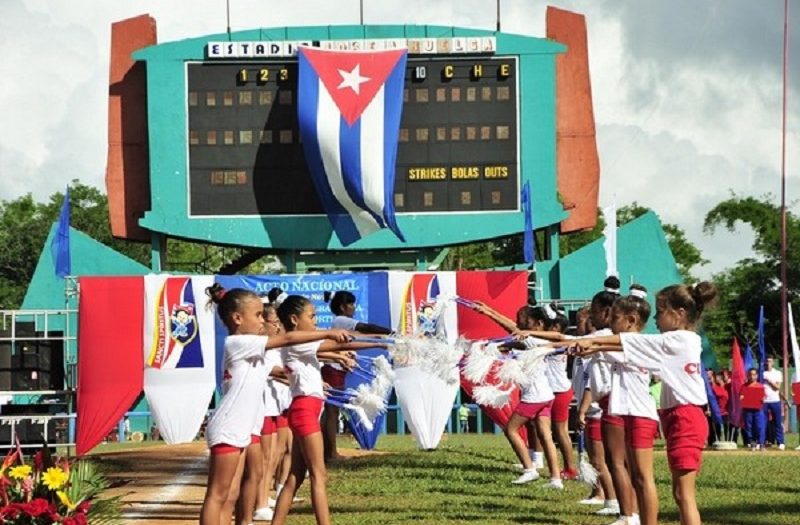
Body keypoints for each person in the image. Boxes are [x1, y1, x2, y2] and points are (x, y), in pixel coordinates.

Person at [199, 285, 351, 525]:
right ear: (237, 319)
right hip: (228, 427)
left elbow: (281, 369)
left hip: (241, 429)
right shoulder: (237, 343)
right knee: (218, 495)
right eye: (258, 315)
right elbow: (289, 338)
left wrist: (316, 374)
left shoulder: (252, 351)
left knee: (231, 495)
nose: (263, 321)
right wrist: (328, 333)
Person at [572, 281, 718, 525]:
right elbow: (629, 346)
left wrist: (594, 343)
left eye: (661, 312)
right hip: (676, 416)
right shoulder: (677, 341)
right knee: (680, 494)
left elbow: (634, 343)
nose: (657, 319)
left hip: (686, 418)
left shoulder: (679, 340)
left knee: (684, 495)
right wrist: (594, 345)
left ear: (679, 314)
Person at [271, 295, 387, 525]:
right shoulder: (298, 341)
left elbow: (329, 349)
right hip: (305, 411)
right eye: (311, 316)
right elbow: (341, 342)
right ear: (294, 319)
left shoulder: (300, 344)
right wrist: (377, 342)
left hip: (304, 410)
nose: (315, 321)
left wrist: (341, 354)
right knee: (318, 475)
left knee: (295, 477)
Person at [599, 286, 658, 525]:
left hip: (641, 414)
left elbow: (597, 344)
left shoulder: (634, 343)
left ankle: (637, 518)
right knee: (637, 476)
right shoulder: (628, 342)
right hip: (632, 413)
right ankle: (634, 517)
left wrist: (588, 345)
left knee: (644, 478)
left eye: (615, 318)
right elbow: (596, 345)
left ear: (631, 320)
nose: (610, 323)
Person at [320, 291, 392, 463]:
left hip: (338, 369)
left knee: (332, 412)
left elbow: (358, 337)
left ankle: (329, 451)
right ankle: (330, 453)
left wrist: (377, 339)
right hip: (334, 369)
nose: (353, 308)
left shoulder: (343, 323)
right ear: (342, 307)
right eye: (350, 304)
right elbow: (364, 328)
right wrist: (389, 332)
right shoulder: (341, 320)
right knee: (331, 412)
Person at [762, 357, 785, 450]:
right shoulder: (762, 373)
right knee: (763, 422)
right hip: (764, 401)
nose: (768, 363)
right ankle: (762, 441)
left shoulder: (777, 373)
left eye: (770, 361)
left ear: (773, 362)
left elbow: (777, 387)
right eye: (767, 361)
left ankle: (780, 442)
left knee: (777, 422)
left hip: (775, 400)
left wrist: (768, 380)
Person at [741, 368, 766, 450]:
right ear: (748, 375)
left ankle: (761, 444)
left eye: (754, 375)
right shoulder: (744, 386)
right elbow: (740, 396)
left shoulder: (760, 386)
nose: (752, 376)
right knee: (749, 427)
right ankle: (752, 443)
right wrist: (741, 398)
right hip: (747, 410)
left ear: (757, 376)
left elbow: (764, 396)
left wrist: (763, 399)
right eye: (750, 374)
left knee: (759, 426)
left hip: (758, 410)